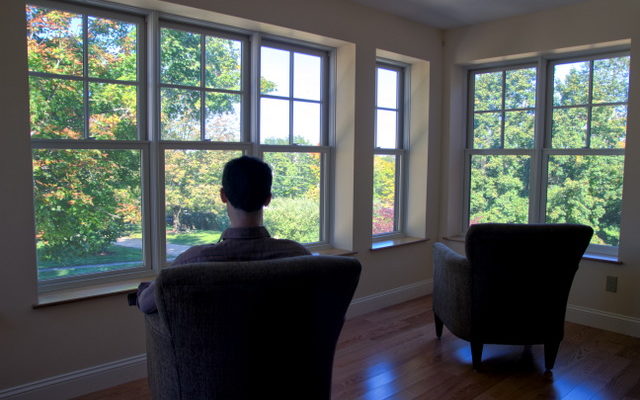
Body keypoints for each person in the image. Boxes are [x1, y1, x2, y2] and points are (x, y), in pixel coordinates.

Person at [135, 155, 310, 314]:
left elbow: (145, 303)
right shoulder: (298, 255)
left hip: (208, 349)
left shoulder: (192, 262)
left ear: (223, 196)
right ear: (268, 199)